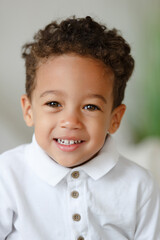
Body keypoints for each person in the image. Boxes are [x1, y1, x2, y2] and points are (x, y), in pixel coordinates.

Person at [0, 16, 159, 240]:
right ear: (29, 111)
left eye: (90, 106)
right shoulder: (7, 176)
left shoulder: (139, 186)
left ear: (115, 118)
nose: (71, 121)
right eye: (54, 103)